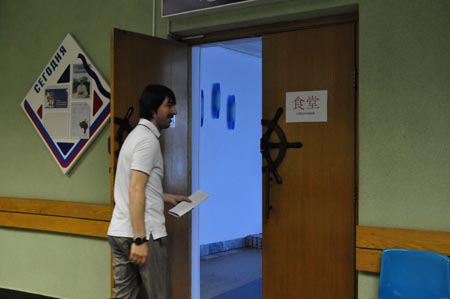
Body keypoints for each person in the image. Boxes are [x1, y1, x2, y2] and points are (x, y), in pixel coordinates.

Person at [107, 84, 191, 299]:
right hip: (144, 234)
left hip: (119, 231)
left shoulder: (135, 137)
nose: (174, 112)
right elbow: (135, 189)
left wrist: (165, 197)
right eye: (169, 105)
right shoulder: (147, 141)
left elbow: (136, 186)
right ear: (154, 110)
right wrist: (139, 239)